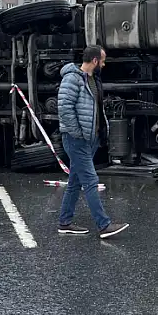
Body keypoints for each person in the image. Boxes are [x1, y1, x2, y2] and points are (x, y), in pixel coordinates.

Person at [56, 46, 129, 239]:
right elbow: (64, 108)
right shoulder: (72, 78)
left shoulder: (91, 80)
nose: (104, 65)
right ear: (95, 61)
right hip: (77, 139)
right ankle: (104, 225)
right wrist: (78, 133)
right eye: (103, 61)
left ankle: (65, 222)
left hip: (90, 138)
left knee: (75, 182)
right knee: (90, 181)